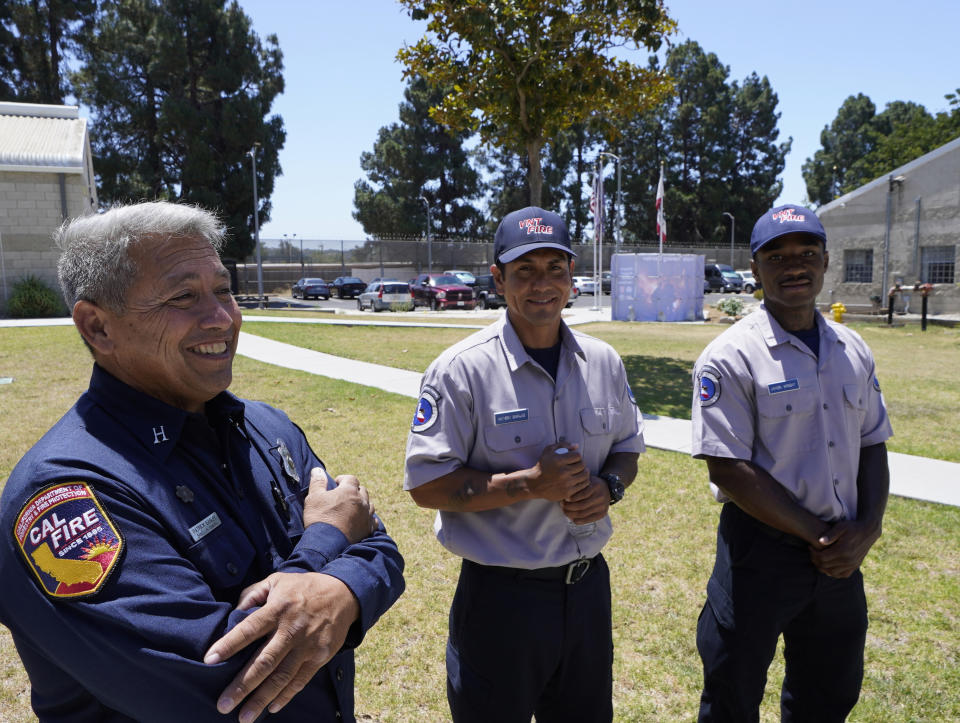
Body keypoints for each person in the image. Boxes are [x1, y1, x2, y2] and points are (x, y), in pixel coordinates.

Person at [0, 201, 405, 722]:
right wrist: (326, 548)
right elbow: (226, 680)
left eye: (222, 289)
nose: (222, 317)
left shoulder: (265, 427)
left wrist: (343, 586)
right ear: (98, 327)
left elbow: (378, 544)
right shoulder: (65, 497)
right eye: (183, 296)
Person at [404, 207, 644, 723]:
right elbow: (426, 486)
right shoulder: (461, 371)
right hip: (501, 601)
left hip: (586, 593)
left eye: (555, 268)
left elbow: (628, 446)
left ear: (572, 275)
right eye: (525, 271)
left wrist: (611, 487)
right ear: (498, 278)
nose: (543, 285)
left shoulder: (603, 362)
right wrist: (529, 484)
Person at [691, 204, 892, 722]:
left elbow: (872, 442)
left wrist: (866, 530)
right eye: (776, 256)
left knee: (828, 694)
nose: (793, 265)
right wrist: (821, 538)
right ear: (755, 270)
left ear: (826, 262)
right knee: (732, 693)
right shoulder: (730, 356)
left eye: (806, 253)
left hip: (842, 555)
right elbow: (728, 468)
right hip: (762, 552)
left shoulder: (853, 348)